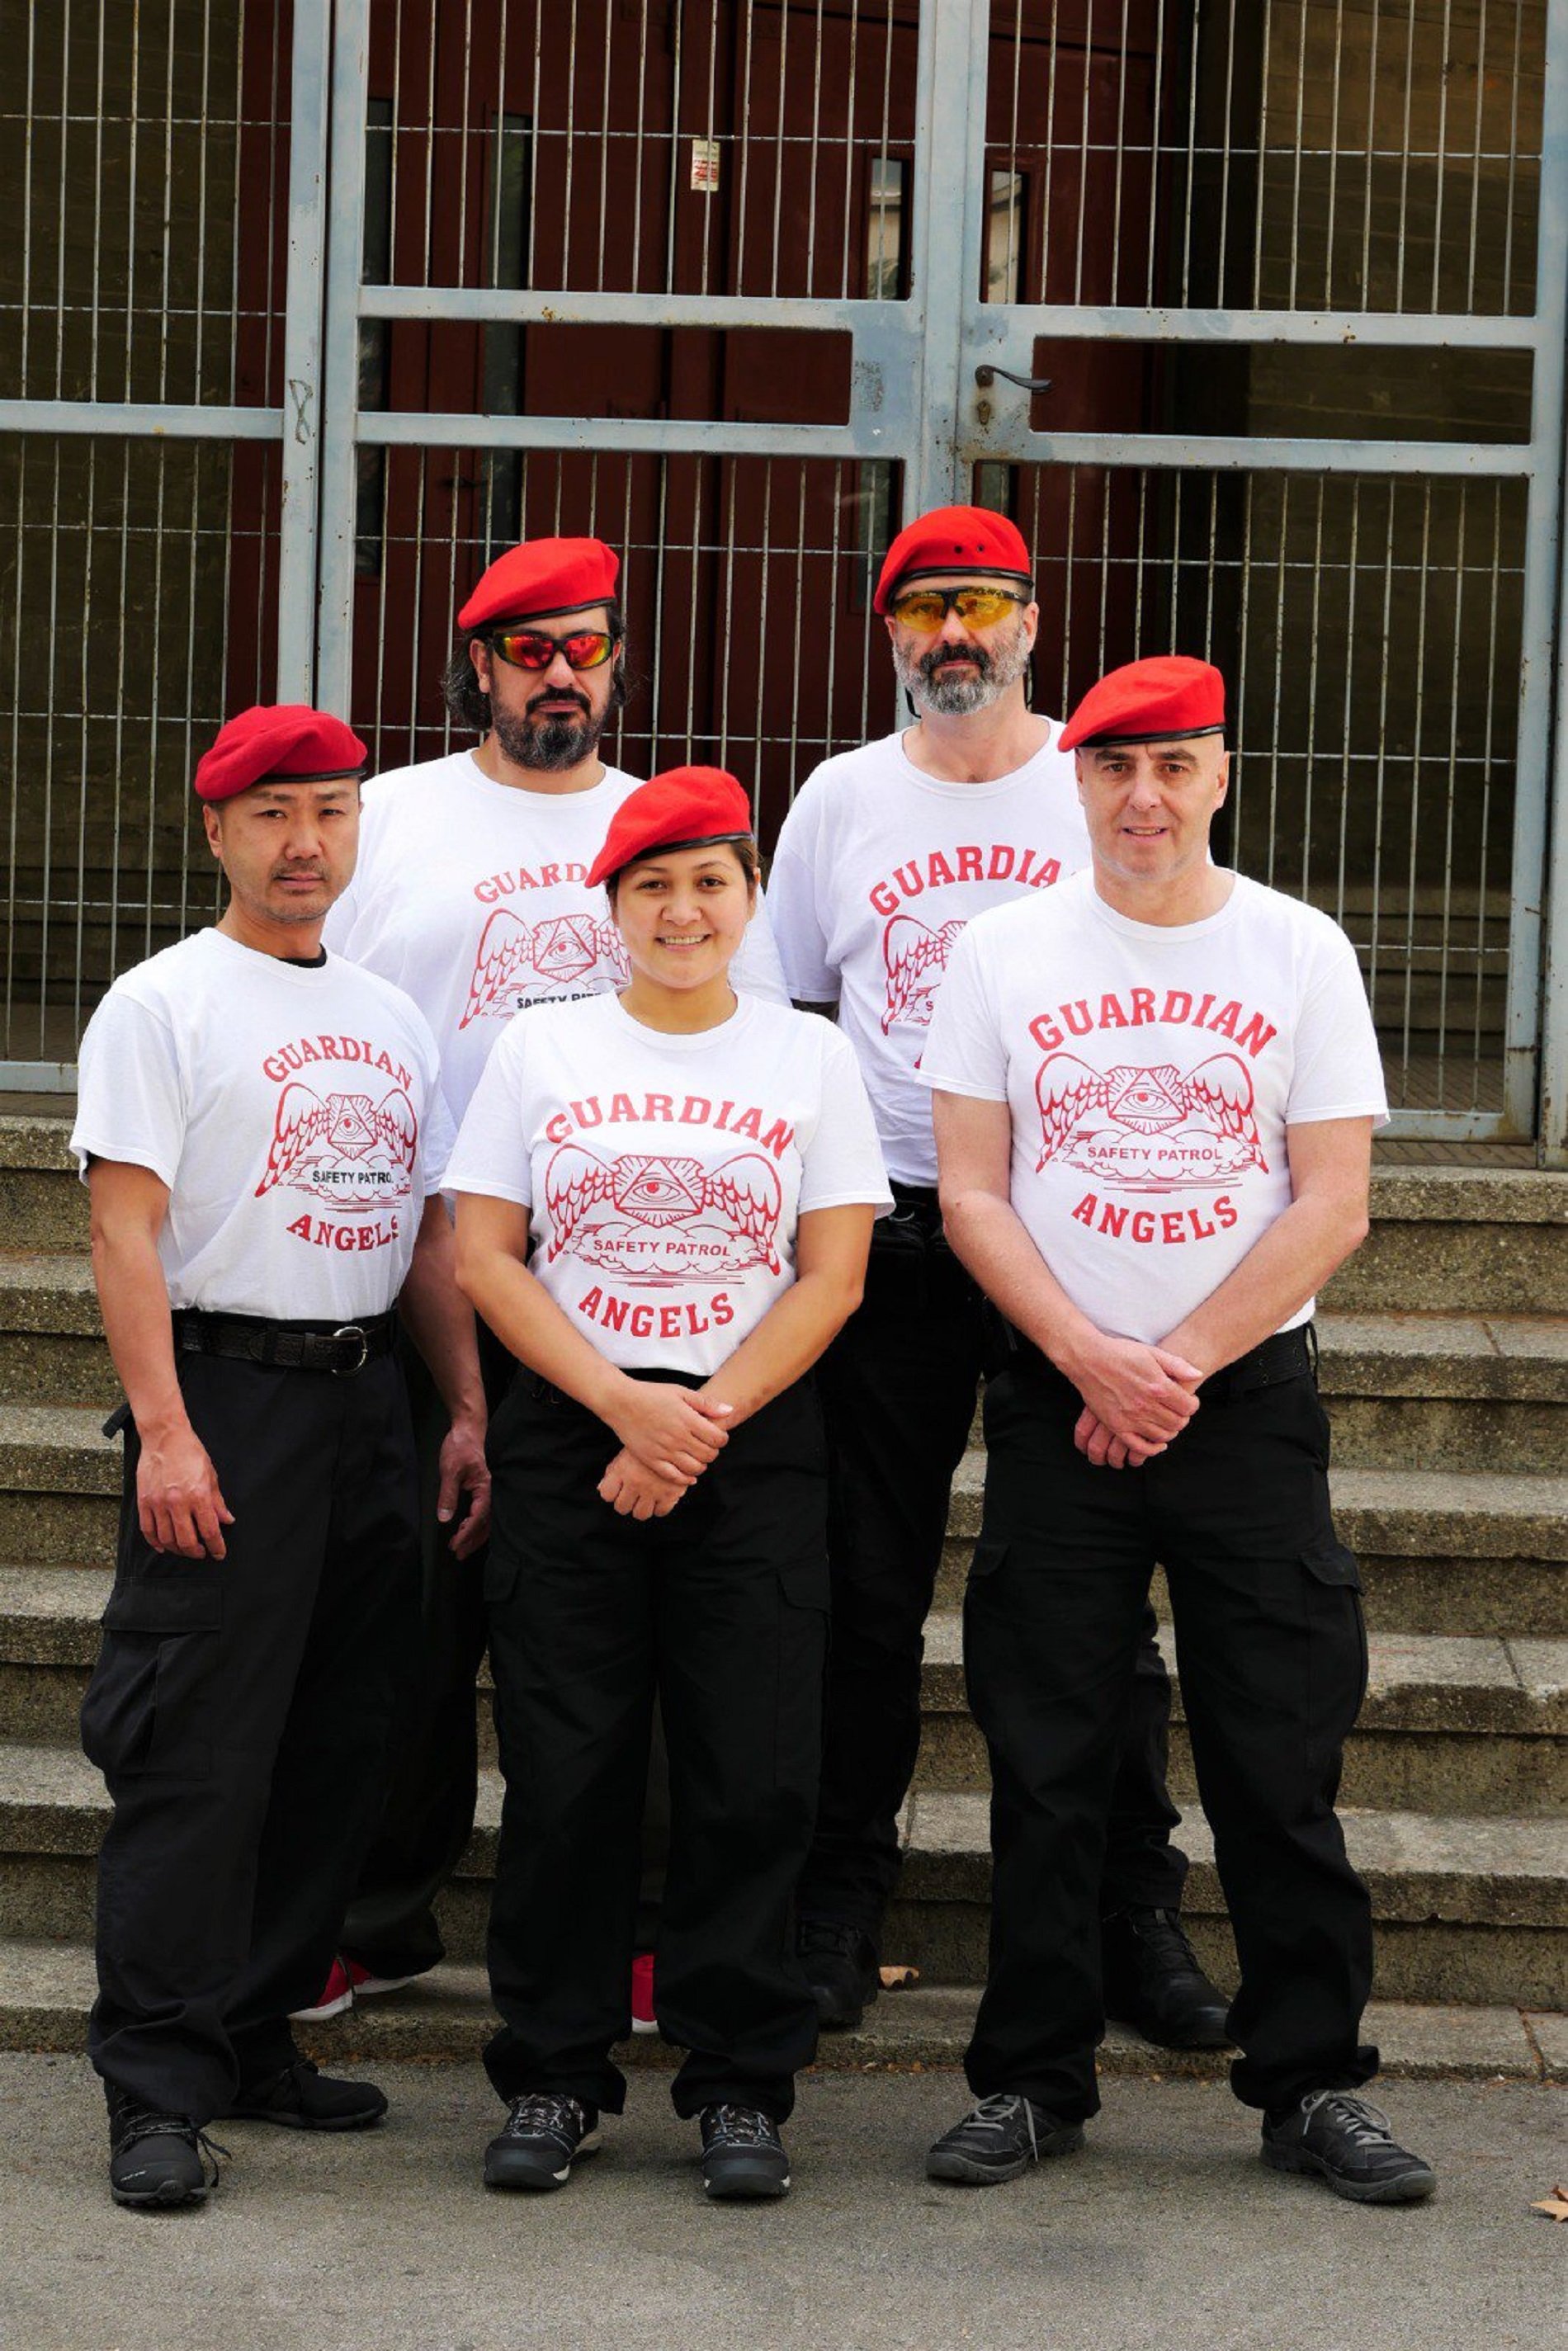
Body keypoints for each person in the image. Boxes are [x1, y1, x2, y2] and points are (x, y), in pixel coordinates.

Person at [919, 655, 1435, 2204]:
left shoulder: (1299, 947)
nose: (1144, 797)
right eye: (1114, 768)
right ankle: (1030, 2079)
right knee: (1048, 1756)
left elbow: (1333, 1197)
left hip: (1244, 1409)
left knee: (1278, 1759)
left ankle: (1310, 2085)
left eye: (1177, 766)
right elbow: (969, 1190)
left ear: (1222, 773)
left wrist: (1179, 1366)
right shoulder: (1001, 952)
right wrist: (1090, 1358)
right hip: (1058, 1401)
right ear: (1075, 780)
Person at [313, 536, 787, 2025]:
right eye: (531, 651)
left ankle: (643, 1935)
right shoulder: (388, 818)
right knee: (409, 1617)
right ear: (479, 666)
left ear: (616, 658)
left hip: (622, 1285)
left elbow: (739, 1038)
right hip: (411, 1266)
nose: (561, 674)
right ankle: (374, 1912)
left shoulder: (665, 833)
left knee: (628, 1633)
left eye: (586, 647)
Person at [767, 505, 1221, 2047]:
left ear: (1033, 617)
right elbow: (793, 1018)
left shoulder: (1098, 781)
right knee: (863, 1583)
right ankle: (838, 1893)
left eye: (981, 604)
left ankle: (1133, 1910)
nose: (953, 634)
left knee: (1092, 1599)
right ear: (888, 633)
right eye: (922, 609)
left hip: (1060, 1246)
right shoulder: (839, 801)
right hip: (889, 1238)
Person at [447, 767, 890, 2200]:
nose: (683, 909)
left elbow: (834, 1272)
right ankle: (557, 2076)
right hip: (577, 1428)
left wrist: (701, 1418)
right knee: (569, 1772)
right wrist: (621, 1408)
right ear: (614, 907)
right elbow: (486, 1255)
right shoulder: (541, 1049)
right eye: (653, 885)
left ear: (752, 900)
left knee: (751, 1772)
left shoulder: (806, 1057)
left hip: (746, 1436)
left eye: (711, 882)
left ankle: (740, 2084)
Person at [71, 705, 489, 2208]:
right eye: (272, 814)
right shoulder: (162, 1002)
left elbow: (429, 1233)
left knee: (336, 1739)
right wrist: (167, 1430)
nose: (306, 841)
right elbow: (123, 1227)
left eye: (331, 810)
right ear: (218, 833)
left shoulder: (388, 1015)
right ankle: (159, 2083)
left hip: (368, 1399)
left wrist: (465, 1411)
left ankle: (255, 2032)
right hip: (228, 1393)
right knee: (200, 1749)